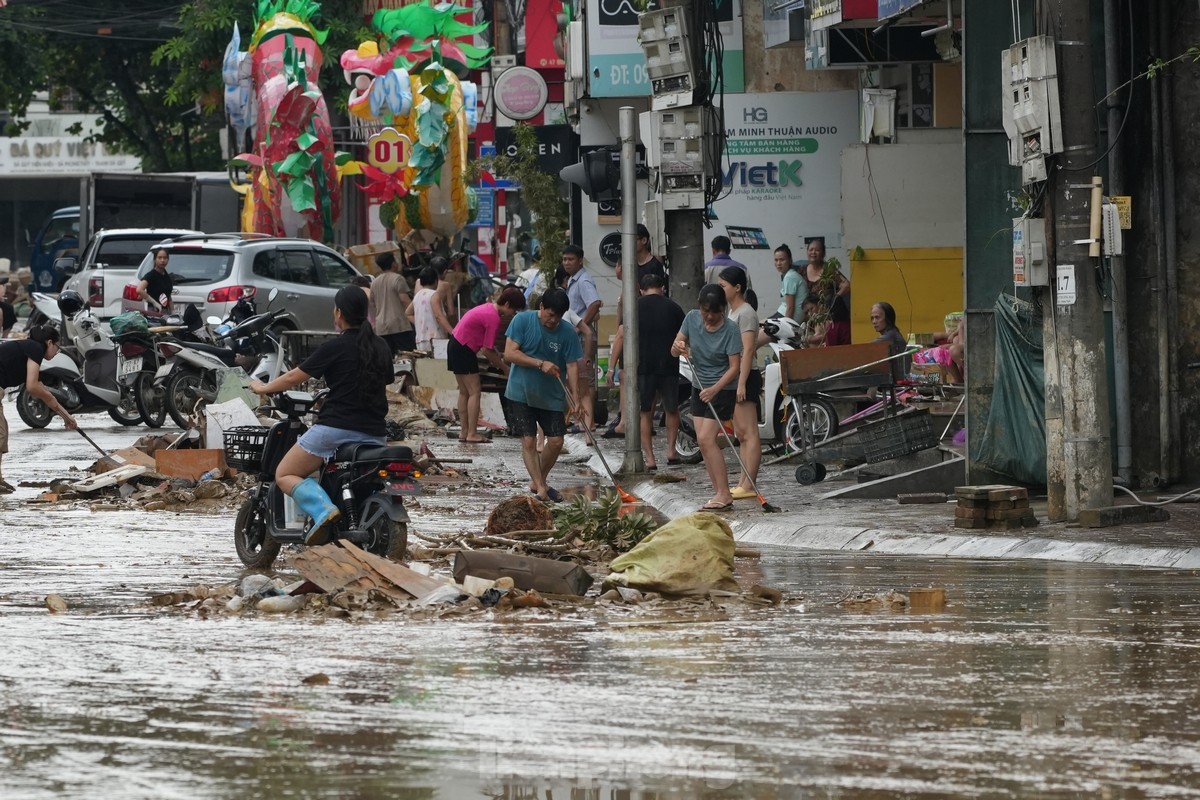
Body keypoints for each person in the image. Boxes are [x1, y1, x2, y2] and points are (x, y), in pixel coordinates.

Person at [249, 286, 392, 544]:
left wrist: (263, 387)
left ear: (339, 313)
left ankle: (322, 510)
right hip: (376, 434)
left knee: (285, 473)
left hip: (336, 429)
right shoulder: (381, 347)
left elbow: (294, 376)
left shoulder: (335, 347)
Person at [503, 288, 582, 504]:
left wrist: (576, 399)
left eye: (558, 316)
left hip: (551, 396)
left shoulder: (567, 333)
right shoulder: (522, 321)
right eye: (549, 314)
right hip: (521, 392)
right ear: (540, 307)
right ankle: (540, 488)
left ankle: (539, 482)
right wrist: (540, 363)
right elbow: (510, 354)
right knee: (528, 440)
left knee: (556, 441)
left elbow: (572, 366)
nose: (553, 320)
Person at [671, 284, 742, 512]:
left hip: (722, 388)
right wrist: (679, 346)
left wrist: (715, 389)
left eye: (714, 311)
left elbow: (735, 368)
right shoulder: (691, 318)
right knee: (701, 441)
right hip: (698, 385)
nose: (709, 316)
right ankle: (718, 492)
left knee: (707, 439)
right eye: (705, 311)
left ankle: (724, 492)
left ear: (722, 309)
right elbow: (674, 348)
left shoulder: (730, 330)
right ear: (699, 307)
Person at [0, 325, 78, 492]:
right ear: (49, 343)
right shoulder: (35, 348)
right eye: (57, 347)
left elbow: (43, 392)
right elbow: (32, 386)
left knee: (2, 432)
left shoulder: (27, 350)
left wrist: (67, 417)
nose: (57, 352)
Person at [449, 286, 527, 443]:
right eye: (514, 310)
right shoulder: (494, 318)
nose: (514, 314)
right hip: (464, 349)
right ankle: (472, 433)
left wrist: (497, 354)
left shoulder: (487, 308)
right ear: (507, 305)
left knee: (464, 392)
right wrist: (505, 368)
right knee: (475, 392)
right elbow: (486, 351)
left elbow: (489, 346)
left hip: (454, 344)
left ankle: (464, 433)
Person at [717, 267, 761, 500]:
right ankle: (744, 481)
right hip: (735, 378)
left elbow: (748, 349)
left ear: (737, 287)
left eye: (723, 285)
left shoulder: (745, 312)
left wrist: (742, 382)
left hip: (746, 376)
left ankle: (750, 484)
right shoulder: (733, 312)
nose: (720, 289)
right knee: (741, 434)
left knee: (749, 432)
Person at [635, 273, 686, 469]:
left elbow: (623, 334)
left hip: (643, 366)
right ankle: (671, 451)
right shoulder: (673, 307)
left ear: (641, 289)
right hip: (669, 365)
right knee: (672, 409)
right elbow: (684, 335)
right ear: (662, 287)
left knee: (645, 412)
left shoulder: (636, 307)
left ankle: (650, 458)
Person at [562, 244, 601, 432]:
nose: (566, 263)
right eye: (564, 259)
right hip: (574, 337)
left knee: (585, 382)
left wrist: (580, 326)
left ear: (579, 261)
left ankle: (588, 423)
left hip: (582, 338)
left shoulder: (584, 281)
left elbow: (594, 303)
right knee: (576, 381)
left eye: (570, 259)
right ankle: (582, 421)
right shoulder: (573, 280)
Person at [801, 238, 851, 345]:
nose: (813, 252)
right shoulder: (802, 270)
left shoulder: (829, 270)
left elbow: (846, 285)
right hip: (808, 314)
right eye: (811, 249)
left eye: (817, 250)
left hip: (824, 315)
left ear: (823, 253)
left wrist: (834, 299)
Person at [755, 244, 803, 348]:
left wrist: (785, 330)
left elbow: (790, 307)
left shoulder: (790, 277)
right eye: (776, 260)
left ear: (790, 260)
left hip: (786, 319)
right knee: (755, 325)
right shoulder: (788, 275)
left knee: (753, 342)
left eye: (782, 260)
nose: (778, 263)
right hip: (780, 314)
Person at [371, 251, 415, 354]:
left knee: (387, 357)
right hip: (399, 326)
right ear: (393, 264)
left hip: (381, 327)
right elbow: (404, 300)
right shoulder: (398, 279)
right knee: (405, 356)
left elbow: (372, 303)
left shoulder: (375, 282)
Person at [870, 301, 910, 382]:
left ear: (888, 318)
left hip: (898, 384)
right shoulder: (892, 333)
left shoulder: (891, 336)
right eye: (872, 318)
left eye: (877, 317)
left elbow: (865, 349)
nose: (874, 321)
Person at [406, 266, 440, 353]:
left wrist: (419, 322)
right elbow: (439, 316)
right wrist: (452, 331)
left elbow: (408, 313)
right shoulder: (433, 294)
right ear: (436, 281)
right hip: (435, 338)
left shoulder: (417, 295)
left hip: (420, 339)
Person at [137, 247, 173, 312]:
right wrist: (154, 303)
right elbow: (139, 290)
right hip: (154, 312)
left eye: (165, 258)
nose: (162, 260)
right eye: (159, 258)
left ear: (168, 259)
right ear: (155, 259)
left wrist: (173, 312)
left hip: (165, 312)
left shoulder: (166, 276)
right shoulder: (151, 275)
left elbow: (169, 297)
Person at [430, 256, 457, 345]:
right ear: (445, 272)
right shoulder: (445, 285)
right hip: (440, 327)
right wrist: (455, 329)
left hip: (422, 328)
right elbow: (451, 312)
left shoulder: (420, 283)